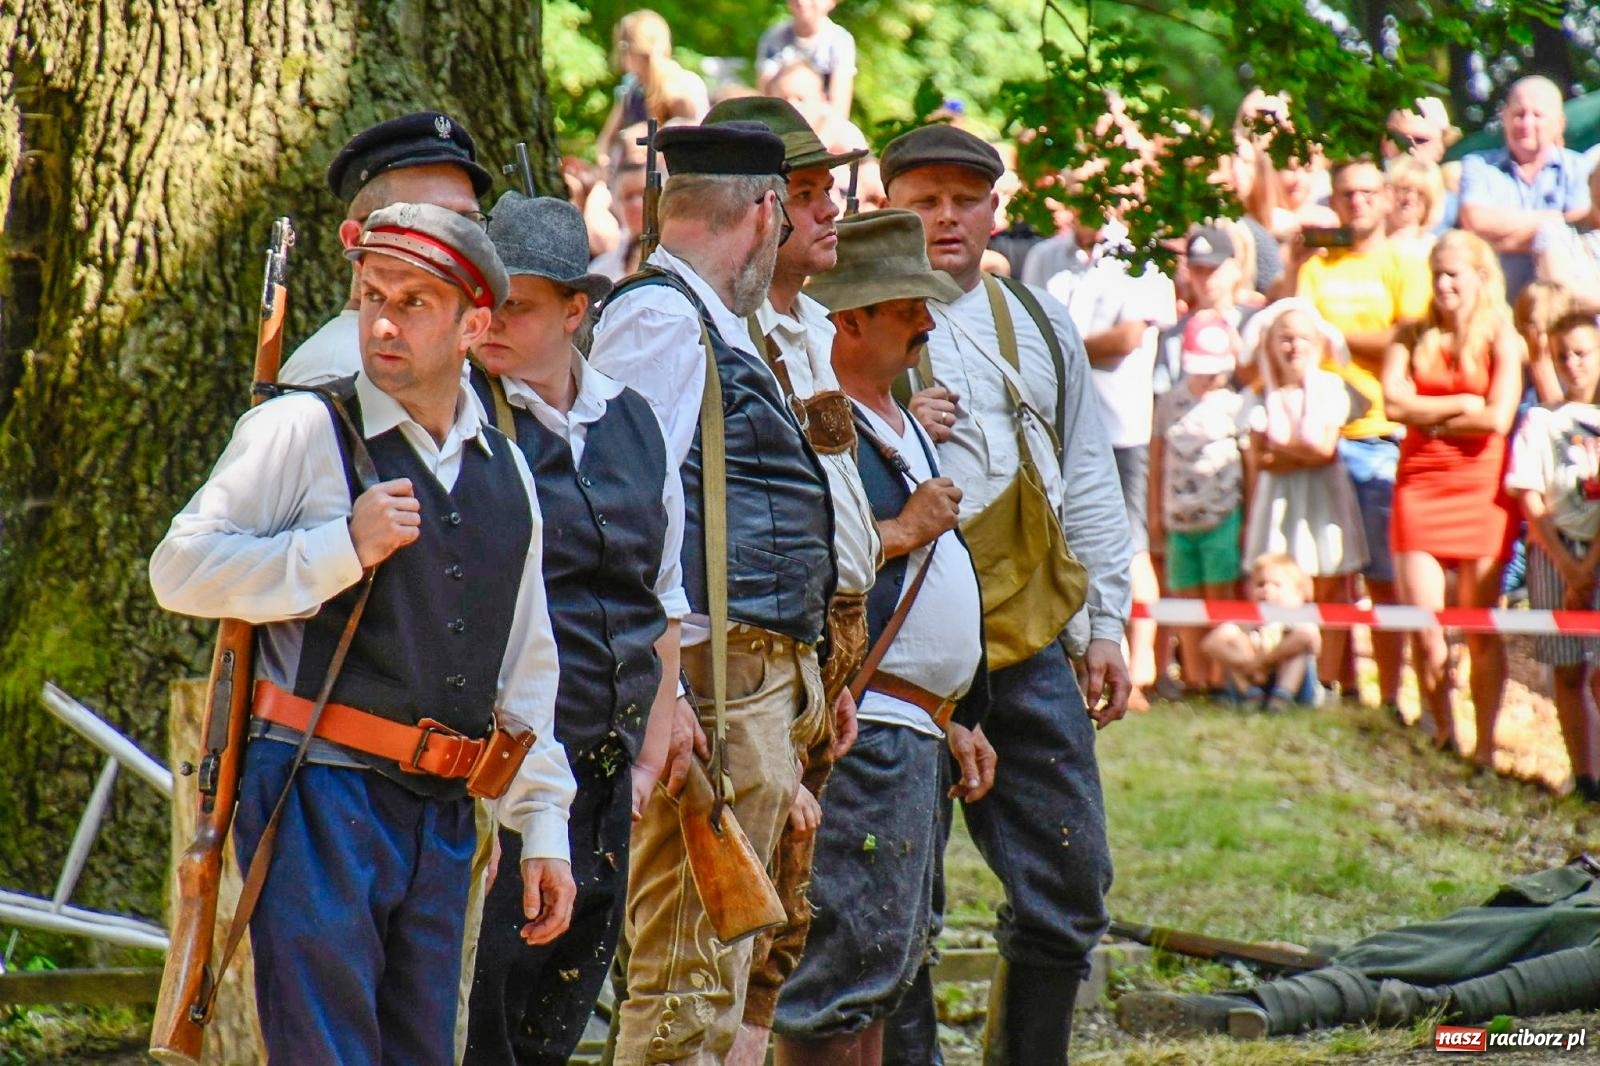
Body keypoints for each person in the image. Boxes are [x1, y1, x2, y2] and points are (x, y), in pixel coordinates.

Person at [148, 202, 576, 1063]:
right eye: (372, 294)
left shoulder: (509, 471)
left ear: (474, 324)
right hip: (315, 790)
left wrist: (544, 827)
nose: (383, 320)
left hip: (444, 812)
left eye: (415, 301)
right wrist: (342, 546)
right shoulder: (303, 428)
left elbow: (527, 667)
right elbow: (180, 569)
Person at [882, 122, 1133, 1065]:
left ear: (996, 209)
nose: (946, 217)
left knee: (1071, 890)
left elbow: (1088, 478)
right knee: (898, 903)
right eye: (923, 199)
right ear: (889, 207)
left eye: (963, 199)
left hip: (1026, 639)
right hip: (892, 646)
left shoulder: (1037, 320)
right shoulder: (838, 323)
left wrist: (1104, 624)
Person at [588, 121, 836, 1065]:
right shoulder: (661, 317)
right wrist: (669, 695)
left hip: (748, 683)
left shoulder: (706, 318)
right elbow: (625, 516)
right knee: (687, 973)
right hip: (711, 682)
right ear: (767, 211)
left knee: (714, 975)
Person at [462, 194, 689, 1066]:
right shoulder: (463, 420)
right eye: (484, 303)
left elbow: (662, 604)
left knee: (553, 1030)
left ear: (574, 310)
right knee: (483, 1025)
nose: (493, 324)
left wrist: (647, 756)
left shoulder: (630, 419)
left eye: (516, 305)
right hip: (501, 775)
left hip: (609, 783)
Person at [768, 208, 994, 1066]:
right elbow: (806, 565)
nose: (928, 324)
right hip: (860, 733)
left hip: (910, 731)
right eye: (908, 308)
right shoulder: (818, 425)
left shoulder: (893, 424)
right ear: (849, 319)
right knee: (834, 981)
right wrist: (900, 527)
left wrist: (956, 716)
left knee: (880, 969)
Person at [693, 96, 877, 1066]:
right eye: (805, 195)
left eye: (827, 192)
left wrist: (829, 671)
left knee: (785, 912)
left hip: (818, 644)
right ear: (758, 206)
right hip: (757, 651)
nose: (827, 213)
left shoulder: (804, 326)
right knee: (732, 909)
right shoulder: (731, 327)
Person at [1117, 855, 1600, 1039]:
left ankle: (1252, 1009)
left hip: (1574, 926)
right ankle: (1276, 997)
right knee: (1413, 952)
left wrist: (1446, 1008)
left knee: (1421, 986)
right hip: (1570, 905)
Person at [1283, 156, 1432, 709]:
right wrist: (1294, 265)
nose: (1357, 202)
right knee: (1326, 572)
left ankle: (1389, 695)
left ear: (1387, 199)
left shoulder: (1403, 263)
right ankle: (1333, 686)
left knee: (1382, 577)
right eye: (1347, 194)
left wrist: (1332, 334)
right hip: (1317, 433)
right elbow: (1288, 319)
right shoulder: (1320, 264)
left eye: (1368, 192)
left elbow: (1408, 338)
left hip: (1377, 435)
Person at [1382, 230, 1521, 765]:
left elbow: (1497, 417)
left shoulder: (1502, 337)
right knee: (1425, 621)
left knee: (1481, 627)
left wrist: (1433, 410)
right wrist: (1462, 403)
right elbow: (1393, 403)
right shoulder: (1410, 333)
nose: (1442, 284)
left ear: (1480, 277)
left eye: (1453, 273)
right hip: (1419, 483)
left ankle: (1485, 747)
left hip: (1481, 490)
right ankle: (1444, 733)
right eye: (1436, 273)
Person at [1046, 201, 1176, 709]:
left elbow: (1126, 339)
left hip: (1121, 428)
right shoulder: (1045, 256)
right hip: (1057, 425)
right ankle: (1088, 657)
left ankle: (1139, 666)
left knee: (1130, 545)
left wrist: (1056, 346)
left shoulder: (1139, 256)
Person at [278, 111, 495, 387]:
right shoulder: (337, 372)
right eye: (428, 218)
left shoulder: (450, 363)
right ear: (356, 239)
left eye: (467, 221)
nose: (457, 239)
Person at [1503, 311, 1600, 803]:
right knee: (1567, 669)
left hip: (1596, 551)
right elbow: (1531, 498)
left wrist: (1588, 568)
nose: (1573, 364)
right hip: (1553, 551)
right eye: (1563, 355)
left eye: (1583, 353)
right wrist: (1568, 566)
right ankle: (1585, 776)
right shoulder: (1539, 420)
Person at [1240, 301, 1368, 634]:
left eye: (1302, 338)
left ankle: (1329, 677)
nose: (1294, 346)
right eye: (1285, 338)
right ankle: (1290, 674)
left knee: (1329, 585)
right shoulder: (1259, 396)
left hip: (1321, 498)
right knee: (1279, 581)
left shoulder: (1330, 388)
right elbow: (1259, 458)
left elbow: (1325, 449)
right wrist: (1302, 453)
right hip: (1278, 501)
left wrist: (1280, 450)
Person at [1150, 311, 1252, 694]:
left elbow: (1250, 466)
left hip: (1222, 516)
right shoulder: (1168, 403)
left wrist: (1247, 521)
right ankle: (1194, 678)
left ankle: (1221, 677)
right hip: (1179, 519)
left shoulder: (1234, 404)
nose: (1209, 377)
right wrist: (1155, 515)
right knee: (1186, 602)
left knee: (1220, 600)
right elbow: (1157, 461)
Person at [1458, 75, 1591, 299]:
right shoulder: (1478, 165)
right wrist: (1553, 224)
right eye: (1519, 114)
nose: (1526, 124)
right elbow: (1474, 221)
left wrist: (1495, 241)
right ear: (1505, 117)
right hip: (1495, 311)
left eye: (1537, 115)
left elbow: (1581, 226)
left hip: (1563, 310)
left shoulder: (1582, 168)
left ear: (1559, 123)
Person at [1202, 553, 1323, 710]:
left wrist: (1263, 661)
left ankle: (1282, 697)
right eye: (1260, 584)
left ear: (1298, 594)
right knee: (1235, 642)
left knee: (1297, 652)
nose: (1267, 590)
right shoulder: (1247, 621)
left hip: (1296, 687)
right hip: (1255, 679)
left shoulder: (1300, 620)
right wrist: (1248, 663)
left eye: (1276, 585)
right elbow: (1211, 643)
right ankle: (1250, 694)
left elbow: (1308, 637)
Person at [596, 10, 709, 164]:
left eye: (628, 51)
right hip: (634, 175)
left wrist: (650, 145)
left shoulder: (684, 86)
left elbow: (695, 143)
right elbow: (605, 141)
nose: (624, 60)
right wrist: (607, 164)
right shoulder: (633, 88)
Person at [1155, 225, 1257, 396]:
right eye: (1198, 270)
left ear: (1236, 269)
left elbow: (1262, 385)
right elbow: (1162, 390)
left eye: (1213, 269)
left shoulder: (1254, 321)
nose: (1206, 279)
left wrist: (1235, 345)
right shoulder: (1175, 332)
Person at [756, 0, 856, 119]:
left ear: (832, 2)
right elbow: (764, 96)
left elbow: (839, 109)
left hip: (820, 123)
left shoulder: (840, 42)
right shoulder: (774, 37)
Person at [1384, 155, 1448, 261]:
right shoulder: (1368, 243)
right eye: (1404, 189)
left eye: (1421, 194)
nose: (1410, 198)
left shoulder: (1436, 251)